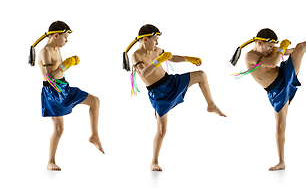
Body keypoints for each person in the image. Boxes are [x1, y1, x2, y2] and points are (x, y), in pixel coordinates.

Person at [232, 20, 306, 171]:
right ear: (259, 43)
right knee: (280, 127)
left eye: (273, 47)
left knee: (301, 46)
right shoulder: (249, 56)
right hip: (275, 91)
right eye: (269, 46)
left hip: (285, 75)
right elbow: (272, 63)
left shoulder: (272, 51)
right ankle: (281, 162)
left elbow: (288, 52)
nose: (270, 49)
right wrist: (281, 49)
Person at [123, 24, 226, 171]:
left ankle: (211, 105)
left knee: (201, 75)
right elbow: (144, 72)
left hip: (171, 81)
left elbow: (171, 57)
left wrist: (187, 59)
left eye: (158, 40)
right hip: (158, 93)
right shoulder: (136, 56)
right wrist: (158, 61)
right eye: (155, 40)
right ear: (145, 40)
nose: (157, 43)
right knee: (162, 130)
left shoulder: (156, 50)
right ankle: (154, 161)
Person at [29, 21, 105, 171]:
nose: (67, 40)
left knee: (95, 101)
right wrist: (67, 64)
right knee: (59, 129)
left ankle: (94, 135)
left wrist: (67, 64)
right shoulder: (45, 52)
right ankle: (50, 161)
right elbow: (49, 78)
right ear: (56, 35)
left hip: (64, 87)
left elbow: (59, 74)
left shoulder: (57, 48)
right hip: (52, 92)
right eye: (65, 37)